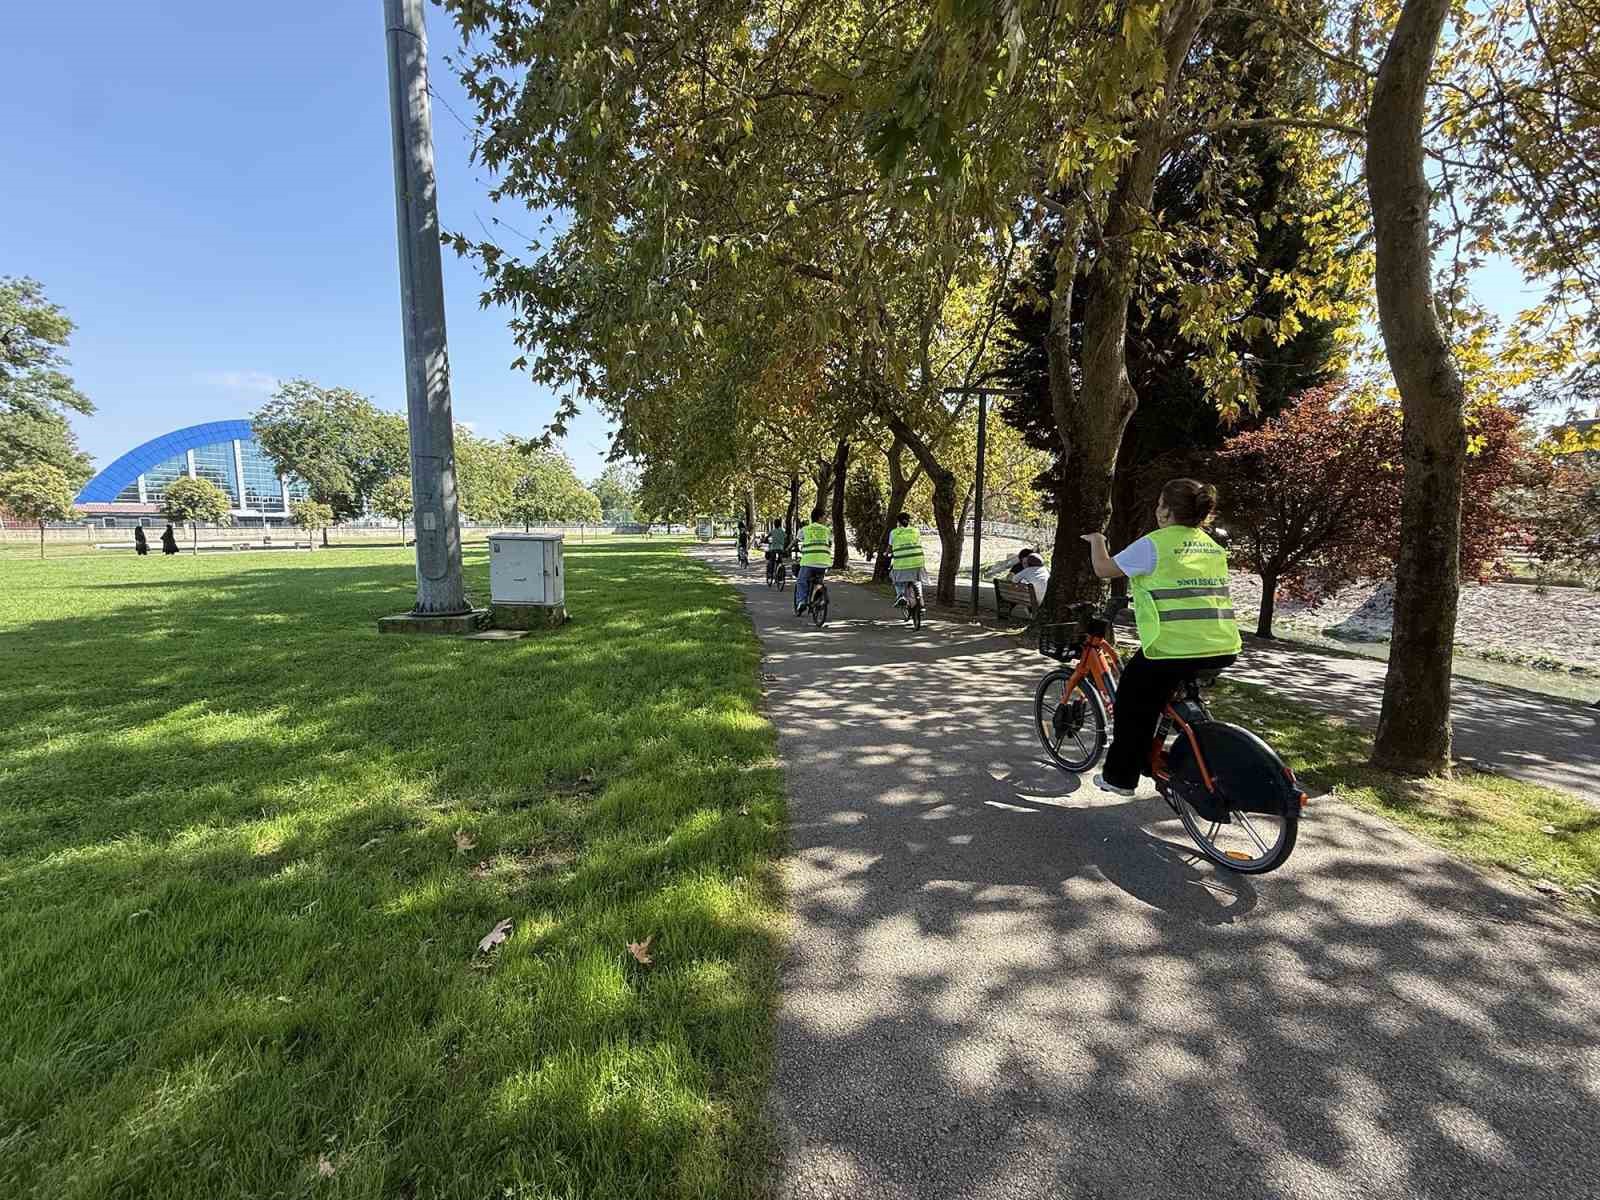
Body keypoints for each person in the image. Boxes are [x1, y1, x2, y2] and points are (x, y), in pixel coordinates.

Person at [1081, 478, 1240, 796]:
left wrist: (1097, 539)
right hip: (1222, 645)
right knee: (1159, 695)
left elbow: (1103, 569)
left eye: (1159, 504)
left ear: (1166, 511)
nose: (1156, 510)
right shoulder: (1212, 546)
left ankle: (1120, 778)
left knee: (1132, 703)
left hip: (1173, 648)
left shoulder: (1155, 543)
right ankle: (1166, 749)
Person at [794, 507, 831, 615]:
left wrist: (788, 549)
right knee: (819, 581)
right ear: (819, 518)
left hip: (808, 562)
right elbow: (829, 543)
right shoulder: (826, 530)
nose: (825, 520)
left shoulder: (804, 530)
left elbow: (796, 541)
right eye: (824, 517)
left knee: (801, 581)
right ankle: (819, 598)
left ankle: (801, 602)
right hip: (824, 562)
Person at [886, 512, 925, 607]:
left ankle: (901, 596)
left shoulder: (894, 532)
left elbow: (890, 548)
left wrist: (886, 553)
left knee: (895, 577)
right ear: (909, 521)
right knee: (917, 580)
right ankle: (920, 597)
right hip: (918, 561)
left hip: (901, 563)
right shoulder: (916, 531)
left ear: (898, 522)